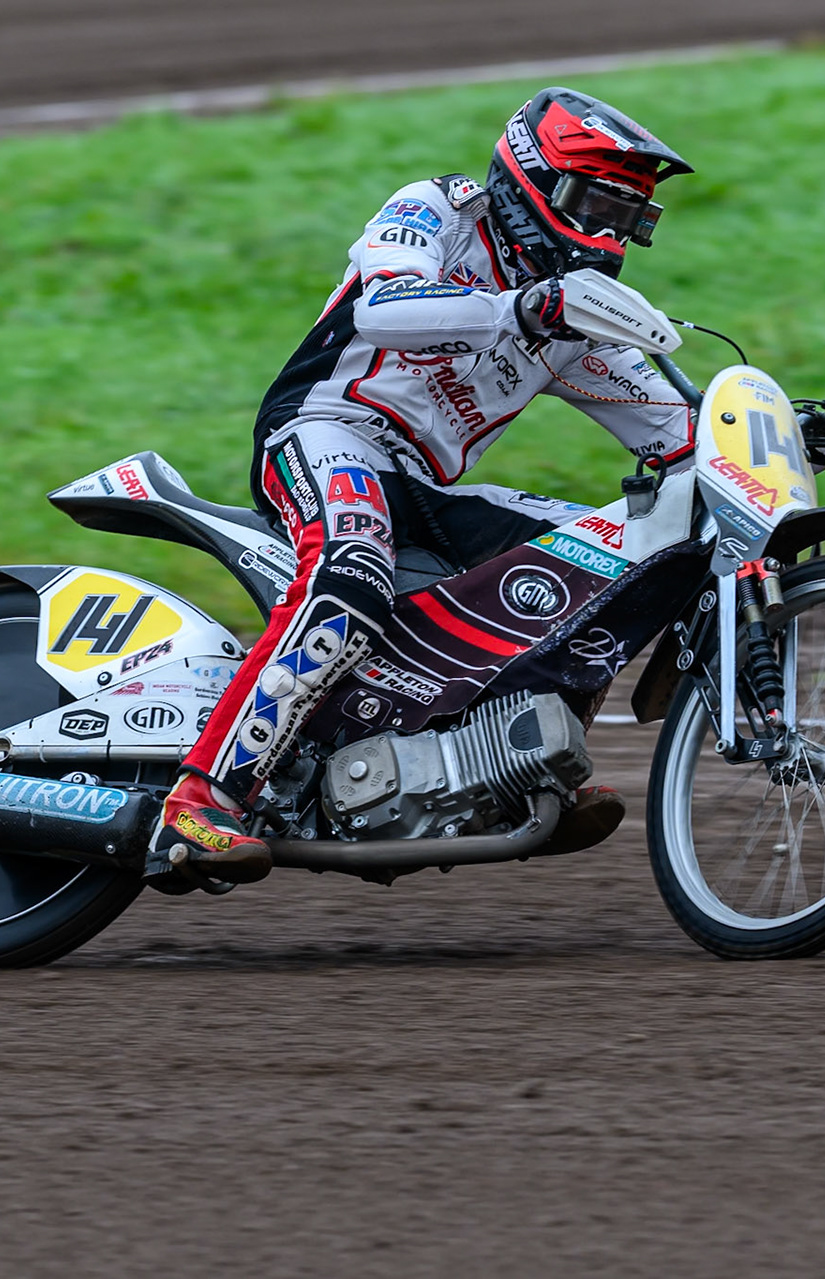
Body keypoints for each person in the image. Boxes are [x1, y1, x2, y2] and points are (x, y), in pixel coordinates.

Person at [155, 87, 700, 884]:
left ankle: (527, 759)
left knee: (616, 555)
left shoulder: (573, 321)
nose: (611, 235)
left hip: (418, 486)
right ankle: (202, 795)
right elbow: (385, 308)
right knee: (351, 572)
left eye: (630, 219)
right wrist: (524, 307)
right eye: (596, 204)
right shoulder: (440, 209)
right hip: (321, 431)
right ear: (530, 176)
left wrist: (810, 428)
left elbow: (678, 430)